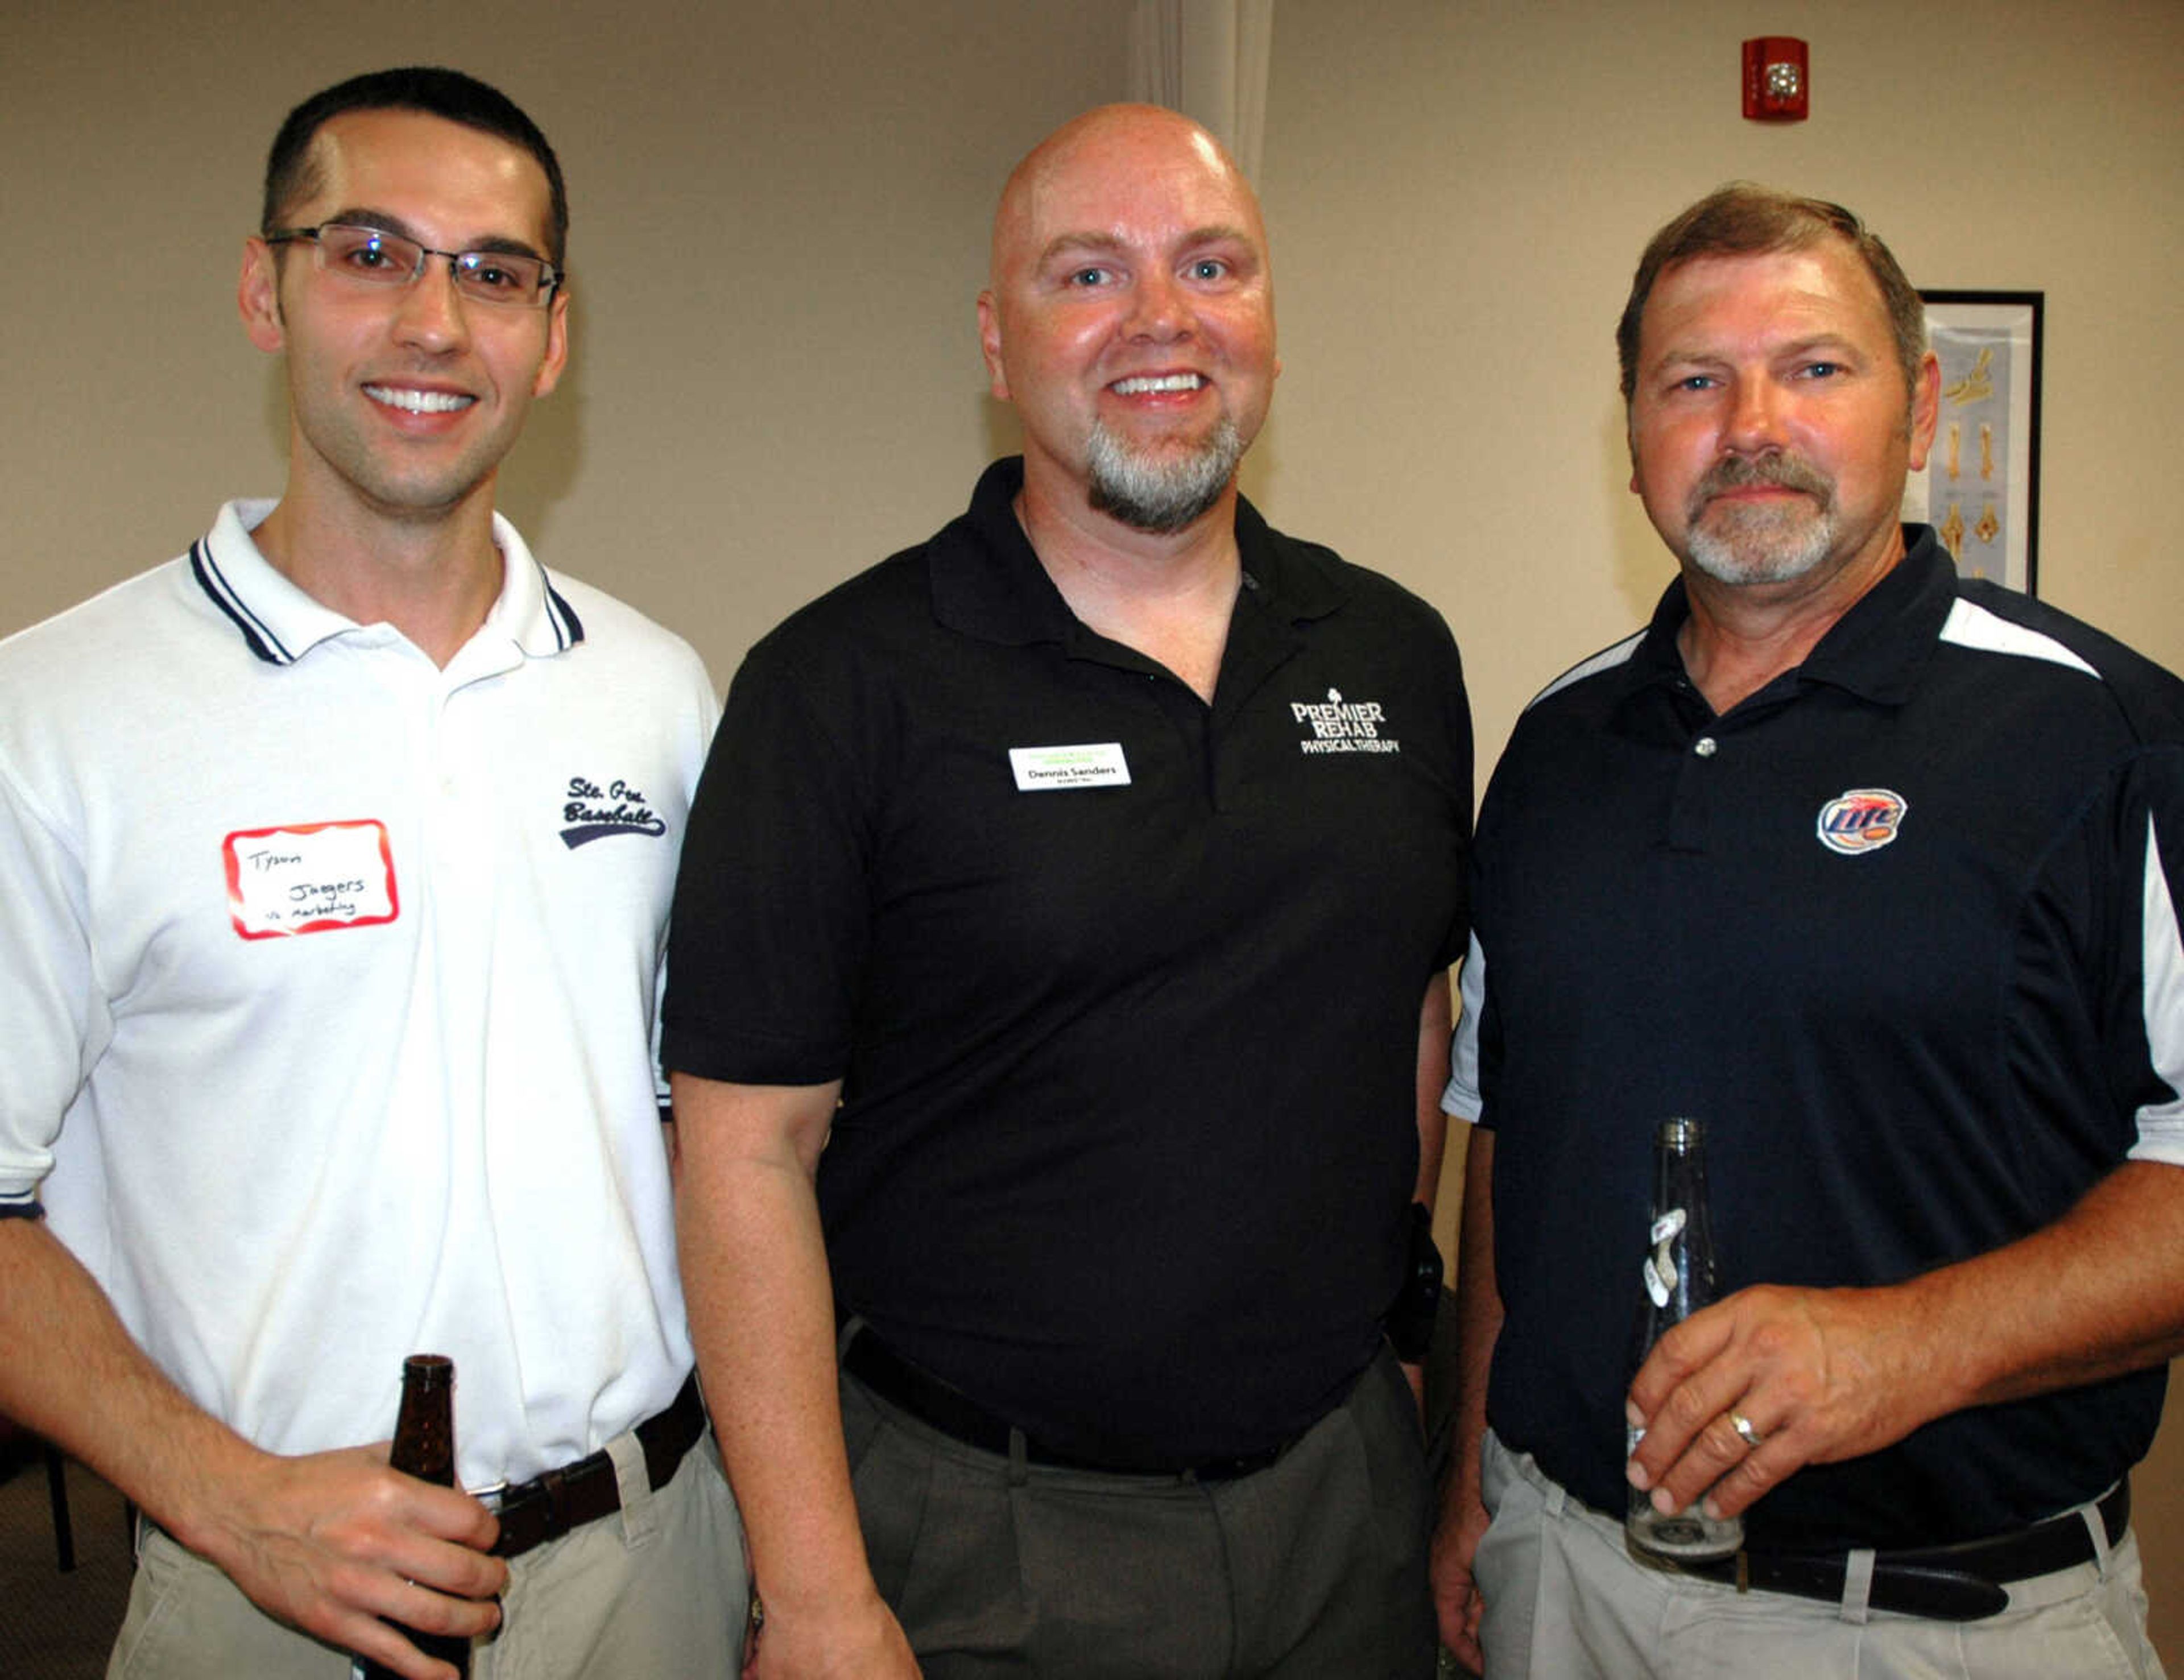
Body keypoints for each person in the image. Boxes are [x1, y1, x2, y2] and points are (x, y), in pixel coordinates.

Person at [663, 104, 1471, 1678]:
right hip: (987, 1540)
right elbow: (743, 1150)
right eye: (1087, 273)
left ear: (1270, 319)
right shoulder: (842, 684)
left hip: (1342, 1503)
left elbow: (1414, 1017)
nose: (1160, 321)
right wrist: (818, 1589)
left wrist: (1396, 1343)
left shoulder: (1394, 656)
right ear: (996, 338)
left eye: (1210, 265)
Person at [0, 67, 745, 1680]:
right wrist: (235, 1499)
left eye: (493, 271)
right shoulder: (54, 717)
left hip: (657, 1563)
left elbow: (722, 1130)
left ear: (555, 336)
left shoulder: (659, 692)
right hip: (264, 1587)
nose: (433, 321)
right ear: (266, 290)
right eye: (370, 253)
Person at [1432, 181, 2184, 1679]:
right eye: (1693, 379)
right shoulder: (1554, 748)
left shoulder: (2104, 735)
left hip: (1940, 1625)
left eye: (1816, 368)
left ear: (1919, 414)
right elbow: (1512, 1140)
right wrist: (1468, 1486)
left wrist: (1905, 1343)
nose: (1749, 422)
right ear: (1633, 431)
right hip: (1561, 1583)